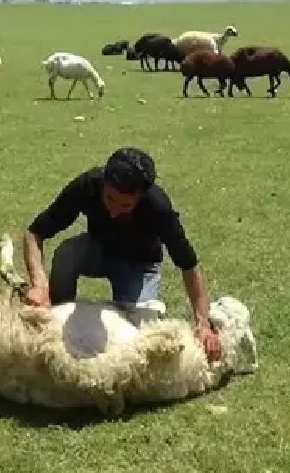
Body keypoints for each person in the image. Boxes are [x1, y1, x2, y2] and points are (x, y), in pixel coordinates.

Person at [22, 147, 222, 361]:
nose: (114, 210)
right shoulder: (88, 185)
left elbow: (189, 265)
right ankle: (54, 320)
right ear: (104, 183)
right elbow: (34, 233)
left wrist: (202, 323)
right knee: (67, 253)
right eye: (109, 199)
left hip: (139, 265)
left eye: (126, 205)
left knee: (139, 334)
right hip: (99, 250)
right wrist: (39, 284)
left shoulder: (158, 207)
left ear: (141, 197)